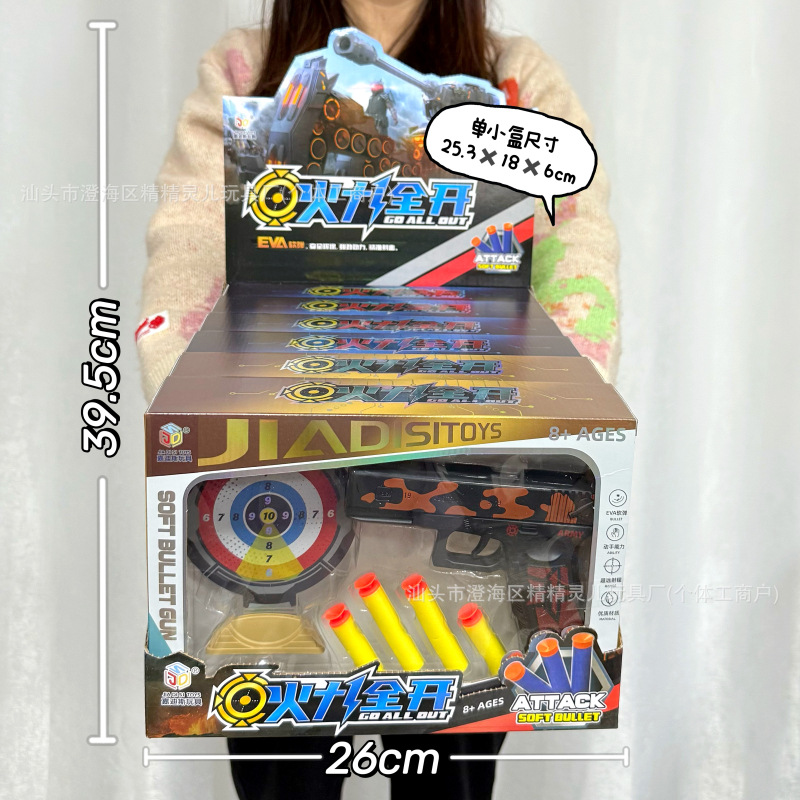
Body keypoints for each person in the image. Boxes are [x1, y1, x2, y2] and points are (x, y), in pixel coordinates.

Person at [137, 1, 620, 797]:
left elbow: (578, 258)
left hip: (464, 529)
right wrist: (213, 421)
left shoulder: (514, 77)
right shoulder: (247, 68)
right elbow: (186, 256)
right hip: (282, 515)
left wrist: (554, 421)